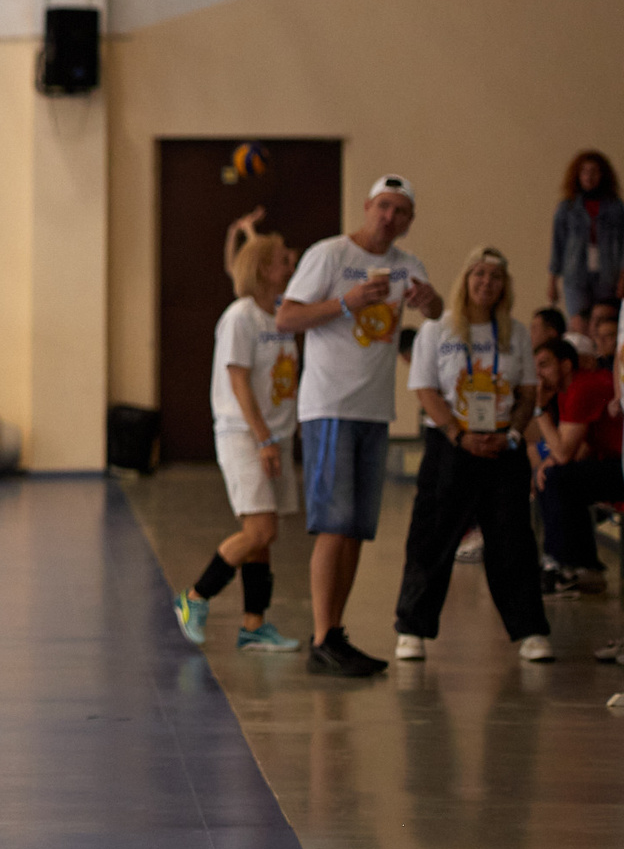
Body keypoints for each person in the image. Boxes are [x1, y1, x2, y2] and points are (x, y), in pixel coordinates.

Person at [277, 176, 442, 677]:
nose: (389, 218)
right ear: (368, 206)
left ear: (409, 221)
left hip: (374, 409)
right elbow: (287, 318)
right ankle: (323, 635)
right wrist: (347, 302)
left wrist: (430, 303)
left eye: (401, 212)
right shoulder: (329, 255)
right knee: (333, 522)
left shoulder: (407, 267)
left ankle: (335, 634)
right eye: (384, 207)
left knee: (354, 529)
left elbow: (434, 317)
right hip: (329, 404)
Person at [392, 248, 552, 660]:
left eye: (495, 277)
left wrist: (512, 432)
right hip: (451, 445)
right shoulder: (438, 330)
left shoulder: (515, 333)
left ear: (505, 286)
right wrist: (457, 433)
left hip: (502, 446)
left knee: (512, 539)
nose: (486, 283)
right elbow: (425, 389)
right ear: (465, 281)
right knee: (432, 537)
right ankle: (413, 629)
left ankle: (530, 631)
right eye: (478, 275)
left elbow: (528, 392)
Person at [172, 229, 305, 652]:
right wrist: (263, 439)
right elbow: (239, 382)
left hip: (276, 434)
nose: (292, 262)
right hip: (244, 434)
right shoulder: (240, 317)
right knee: (261, 528)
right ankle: (194, 598)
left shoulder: (282, 312)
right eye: (284, 258)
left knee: (264, 534)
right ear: (266, 269)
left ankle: (253, 626)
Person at [533, 330, 621, 597]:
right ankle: (572, 564)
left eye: (545, 365)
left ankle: (569, 565)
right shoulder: (568, 390)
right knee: (557, 476)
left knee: (560, 478)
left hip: (619, 464)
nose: (539, 374)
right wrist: (549, 462)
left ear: (567, 364)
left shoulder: (584, 387)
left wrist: (538, 409)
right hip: (613, 461)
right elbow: (578, 447)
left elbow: (563, 453)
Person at [548, 151, 622, 329]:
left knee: (604, 323)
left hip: (607, 275)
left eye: (594, 172)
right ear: (578, 175)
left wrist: (622, 277)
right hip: (575, 275)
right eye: (585, 172)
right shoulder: (567, 208)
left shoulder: (616, 207)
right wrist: (552, 281)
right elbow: (557, 245)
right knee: (579, 323)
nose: (589, 177)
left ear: (602, 175)